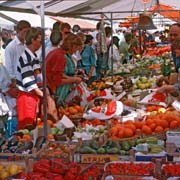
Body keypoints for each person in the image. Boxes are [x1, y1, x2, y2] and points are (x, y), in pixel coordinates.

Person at [15, 27, 45, 129]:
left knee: (33, 127)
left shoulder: (33, 56)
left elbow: (37, 76)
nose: (41, 44)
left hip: (32, 97)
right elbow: (29, 83)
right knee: (26, 130)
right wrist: (44, 95)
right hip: (26, 97)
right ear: (33, 40)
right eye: (40, 41)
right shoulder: (25, 57)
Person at [46, 33, 82, 103]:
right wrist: (73, 80)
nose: (75, 51)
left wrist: (72, 78)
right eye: (76, 49)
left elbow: (59, 73)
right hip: (54, 92)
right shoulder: (60, 56)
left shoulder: (57, 52)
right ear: (73, 46)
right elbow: (57, 81)